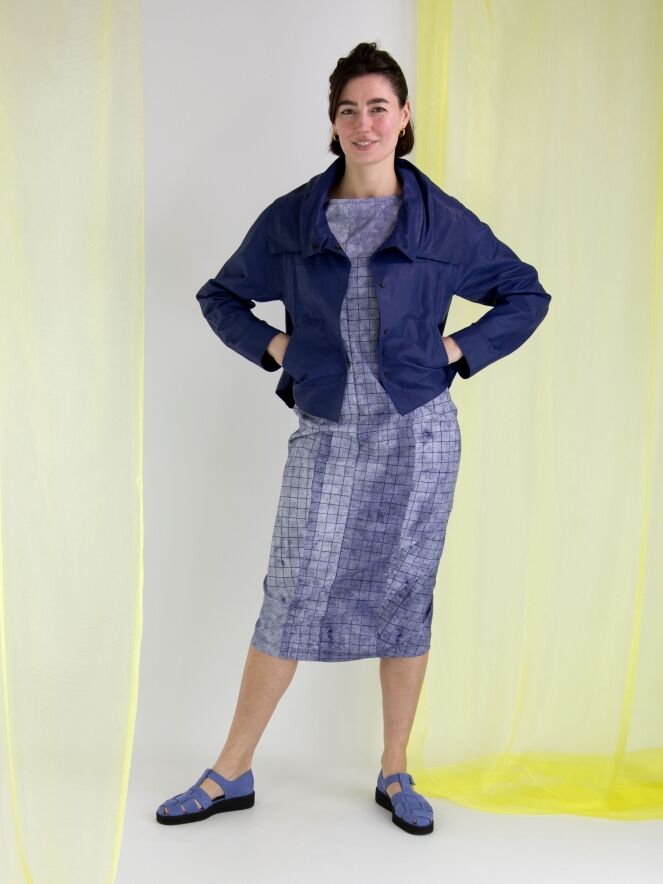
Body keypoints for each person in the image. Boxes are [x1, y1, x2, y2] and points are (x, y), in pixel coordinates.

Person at [156, 41, 551, 835]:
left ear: (403, 118)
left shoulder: (442, 222)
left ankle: (394, 768)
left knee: (406, 592)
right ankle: (231, 769)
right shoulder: (293, 218)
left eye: (377, 107)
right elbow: (220, 296)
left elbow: (524, 293)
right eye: (348, 110)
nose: (363, 123)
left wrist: (455, 349)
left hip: (418, 434)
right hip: (328, 429)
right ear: (332, 123)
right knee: (291, 590)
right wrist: (280, 348)